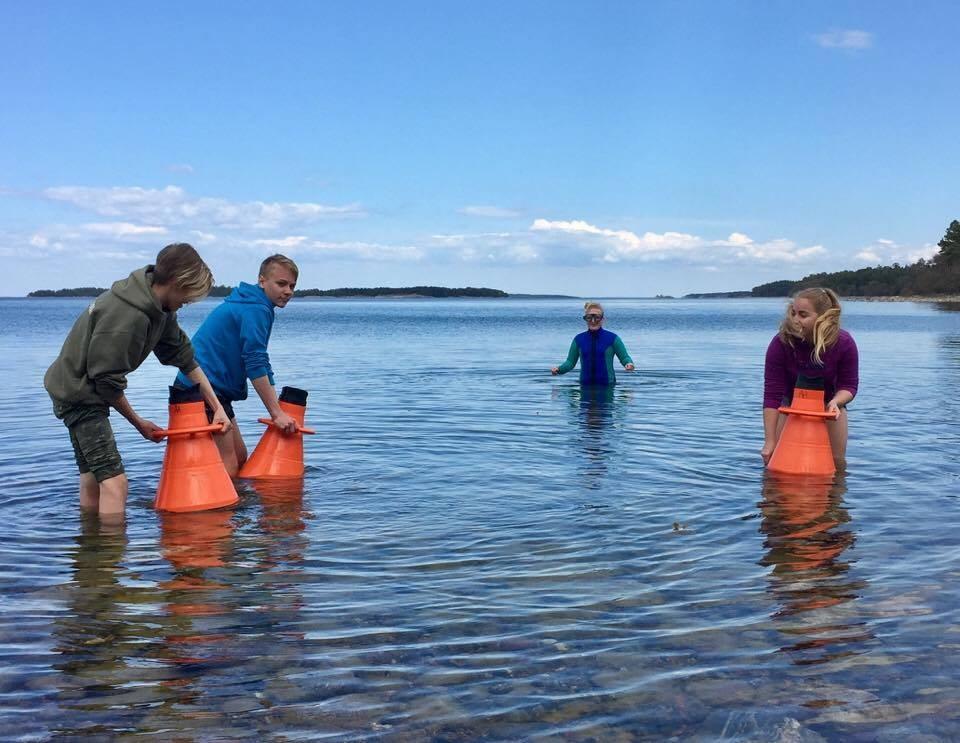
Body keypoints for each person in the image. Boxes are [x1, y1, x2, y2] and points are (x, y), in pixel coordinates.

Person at [44, 243, 231, 522]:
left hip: (77, 388)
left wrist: (216, 406)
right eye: (189, 296)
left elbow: (184, 358)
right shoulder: (128, 316)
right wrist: (138, 422)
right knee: (115, 482)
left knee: (93, 476)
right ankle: (109, 555)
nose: (188, 302)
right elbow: (106, 381)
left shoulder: (160, 310)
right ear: (177, 282)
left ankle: (90, 544)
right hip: (79, 394)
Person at [175, 254, 299, 477]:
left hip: (212, 391)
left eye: (292, 285)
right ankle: (223, 511)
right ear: (262, 281)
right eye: (281, 283)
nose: (288, 291)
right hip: (198, 390)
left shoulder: (253, 303)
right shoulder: (256, 309)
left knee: (240, 457)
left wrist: (276, 406)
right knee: (227, 465)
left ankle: (237, 508)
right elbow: (255, 361)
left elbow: (260, 360)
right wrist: (276, 413)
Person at [761, 287, 859, 466]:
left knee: (836, 466)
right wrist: (769, 441)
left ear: (823, 317)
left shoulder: (844, 343)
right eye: (794, 313)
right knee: (775, 469)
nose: (795, 320)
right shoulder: (781, 343)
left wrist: (836, 402)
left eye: (803, 315)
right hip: (790, 408)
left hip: (829, 409)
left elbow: (849, 385)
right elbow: (772, 395)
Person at [551, 301, 635, 384]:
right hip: (584, 388)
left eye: (597, 317)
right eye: (589, 318)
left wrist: (629, 363)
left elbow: (624, 358)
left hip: (607, 388)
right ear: (585, 319)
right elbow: (570, 362)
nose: (593, 321)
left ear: (603, 319)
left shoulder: (612, 339)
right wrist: (559, 369)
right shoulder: (578, 339)